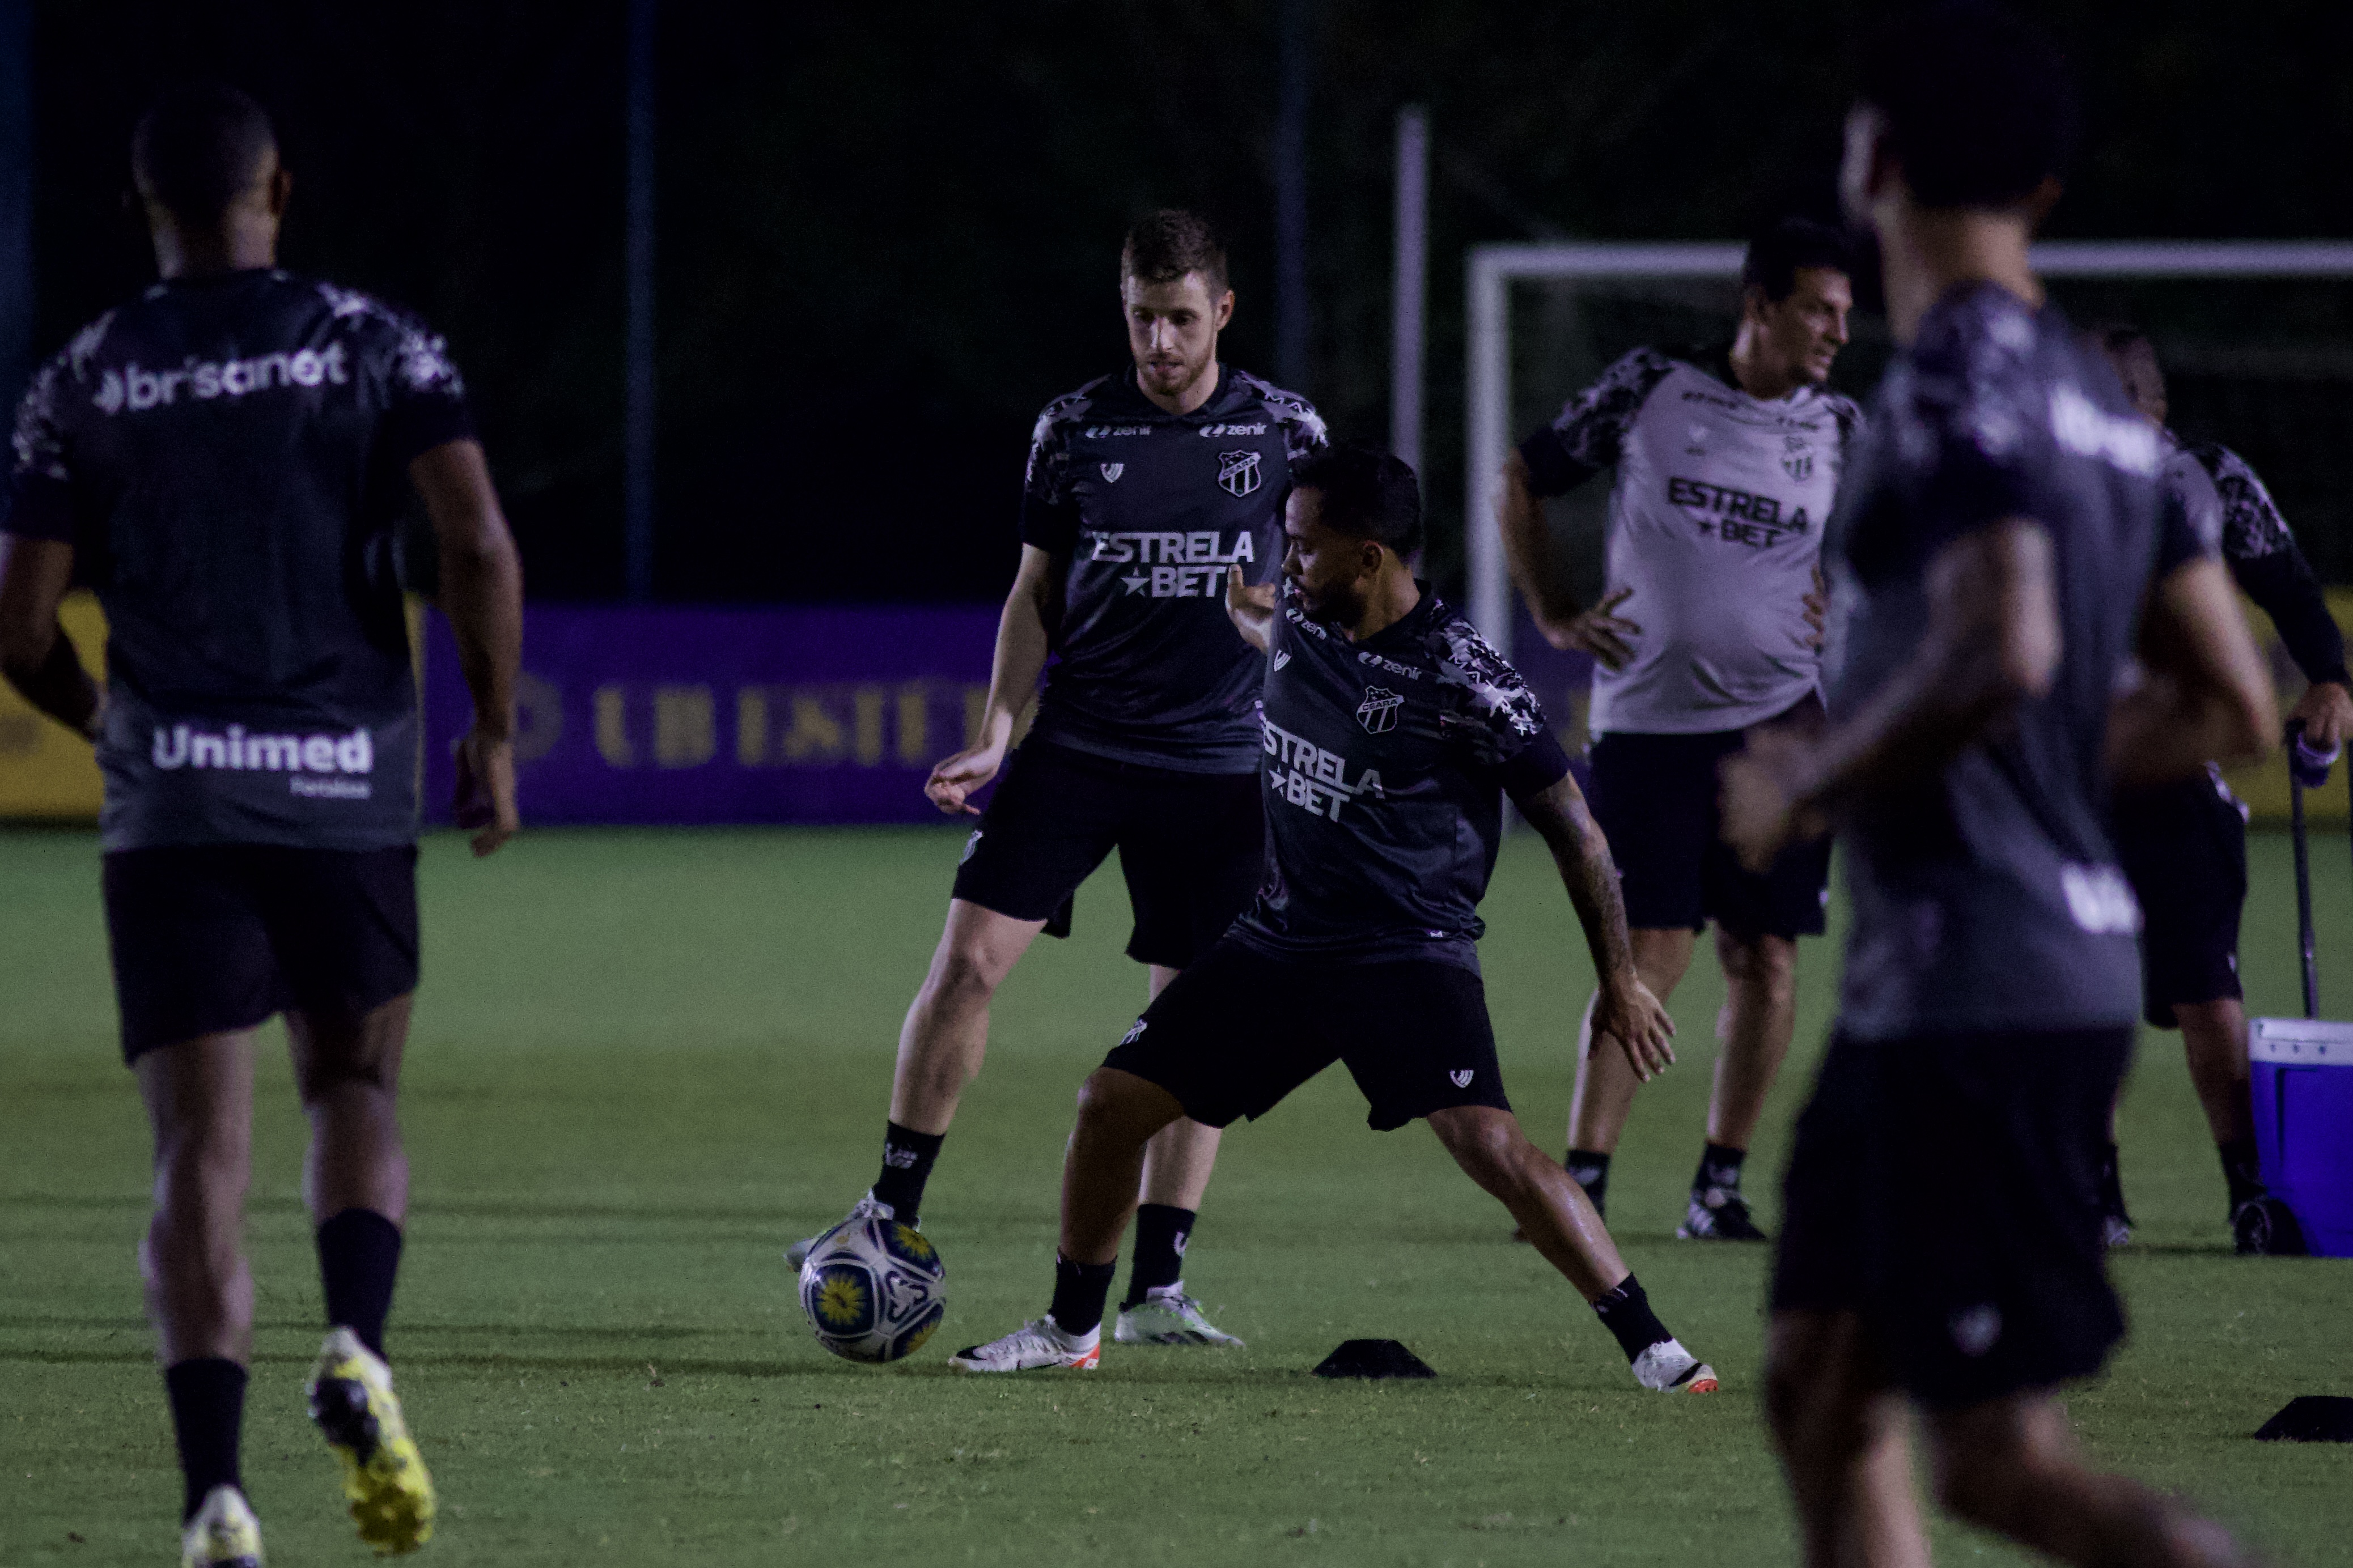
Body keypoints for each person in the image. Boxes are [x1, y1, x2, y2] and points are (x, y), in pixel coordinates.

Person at [1722, 9, 2275, 1563]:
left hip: (1983, 989)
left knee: (1994, 1462)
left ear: (1875, 159)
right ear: (2040, 189)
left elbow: (2003, 646)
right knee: (1821, 1386)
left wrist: (1815, 780)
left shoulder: (1953, 383)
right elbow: (2230, 696)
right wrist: (2030, 780)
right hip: (1981, 980)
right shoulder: (2103, 406)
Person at [0, 84, 523, 1566]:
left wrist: (105, 718)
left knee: (195, 1153)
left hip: (172, 797)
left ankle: (214, 1498)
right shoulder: (375, 341)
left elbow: (18, 620)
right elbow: (474, 535)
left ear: (142, 212)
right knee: (353, 1080)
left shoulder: (83, 375)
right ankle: (356, 1340)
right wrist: (490, 730)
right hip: (343, 783)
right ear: (278, 190)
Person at [948, 445, 1718, 1394]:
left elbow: (1581, 838)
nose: (1288, 561)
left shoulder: (1469, 681)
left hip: (1404, 952)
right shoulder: (1299, 621)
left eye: (1305, 547)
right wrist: (1244, 609)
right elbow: (1261, 618)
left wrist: (1620, 982)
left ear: (1370, 558)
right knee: (1110, 1106)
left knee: (1491, 1145)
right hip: (1276, 944)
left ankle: (1657, 1347)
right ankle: (1072, 1330)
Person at [787, 210, 1324, 1349]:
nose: (1162, 342)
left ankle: (1159, 1287)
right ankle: (889, 1212)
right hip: (1081, 744)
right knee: (969, 962)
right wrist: (995, 728)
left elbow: (1339, 587)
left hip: (1225, 768)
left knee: (1192, 1023)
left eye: (1183, 319)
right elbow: (1036, 591)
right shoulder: (1074, 429)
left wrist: (1291, 630)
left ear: (1223, 311)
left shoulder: (1287, 432)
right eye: (1143, 317)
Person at [1498, 217, 1861, 1240]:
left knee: (1770, 957)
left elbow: (1896, 548)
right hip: (1650, 727)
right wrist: (1554, 608)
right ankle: (1584, 1182)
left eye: (1846, 313)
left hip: (1783, 731)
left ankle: (1720, 1187)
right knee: (1649, 951)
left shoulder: (1842, 427)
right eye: (1817, 309)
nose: (1838, 329)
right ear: (1760, 306)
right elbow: (1519, 477)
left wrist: (1851, 596)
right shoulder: (1652, 385)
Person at [2092, 323, 2346, 1253]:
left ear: (2149, 408)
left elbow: (2290, 588)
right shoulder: (2042, 485)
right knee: (2089, 988)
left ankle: (2250, 1193)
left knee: (2207, 993)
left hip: (2178, 774)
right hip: (2069, 784)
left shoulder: (2206, 480)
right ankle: (2095, 1199)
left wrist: (2330, 679)